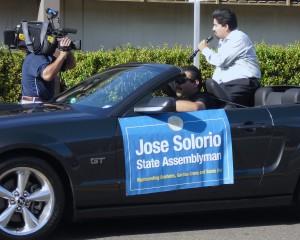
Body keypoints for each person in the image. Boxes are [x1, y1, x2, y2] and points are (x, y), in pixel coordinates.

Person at [198, 8, 261, 107]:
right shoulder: (223, 41)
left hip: (241, 84)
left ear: (226, 26)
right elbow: (221, 69)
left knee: (226, 110)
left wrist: (205, 49)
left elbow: (220, 61)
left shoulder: (238, 37)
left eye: (215, 25)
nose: (213, 29)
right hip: (227, 85)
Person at [21, 37, 76, 104]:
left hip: (43, 102)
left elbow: (70, 65)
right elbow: (47, 75)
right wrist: (62, 54)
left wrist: (68, 50)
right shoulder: (35, 57)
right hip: (33, 104)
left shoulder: (46, 58)